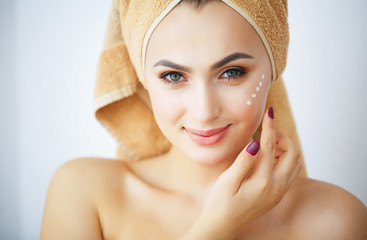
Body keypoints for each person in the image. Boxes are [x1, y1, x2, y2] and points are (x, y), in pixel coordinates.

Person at [41, 0, 367, 239]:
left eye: (232, 72)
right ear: (142, 79)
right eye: (172, 76)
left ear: (273, 69)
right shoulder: (84, 192)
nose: (204, 111)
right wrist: (218, 225)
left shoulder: (336, 219)